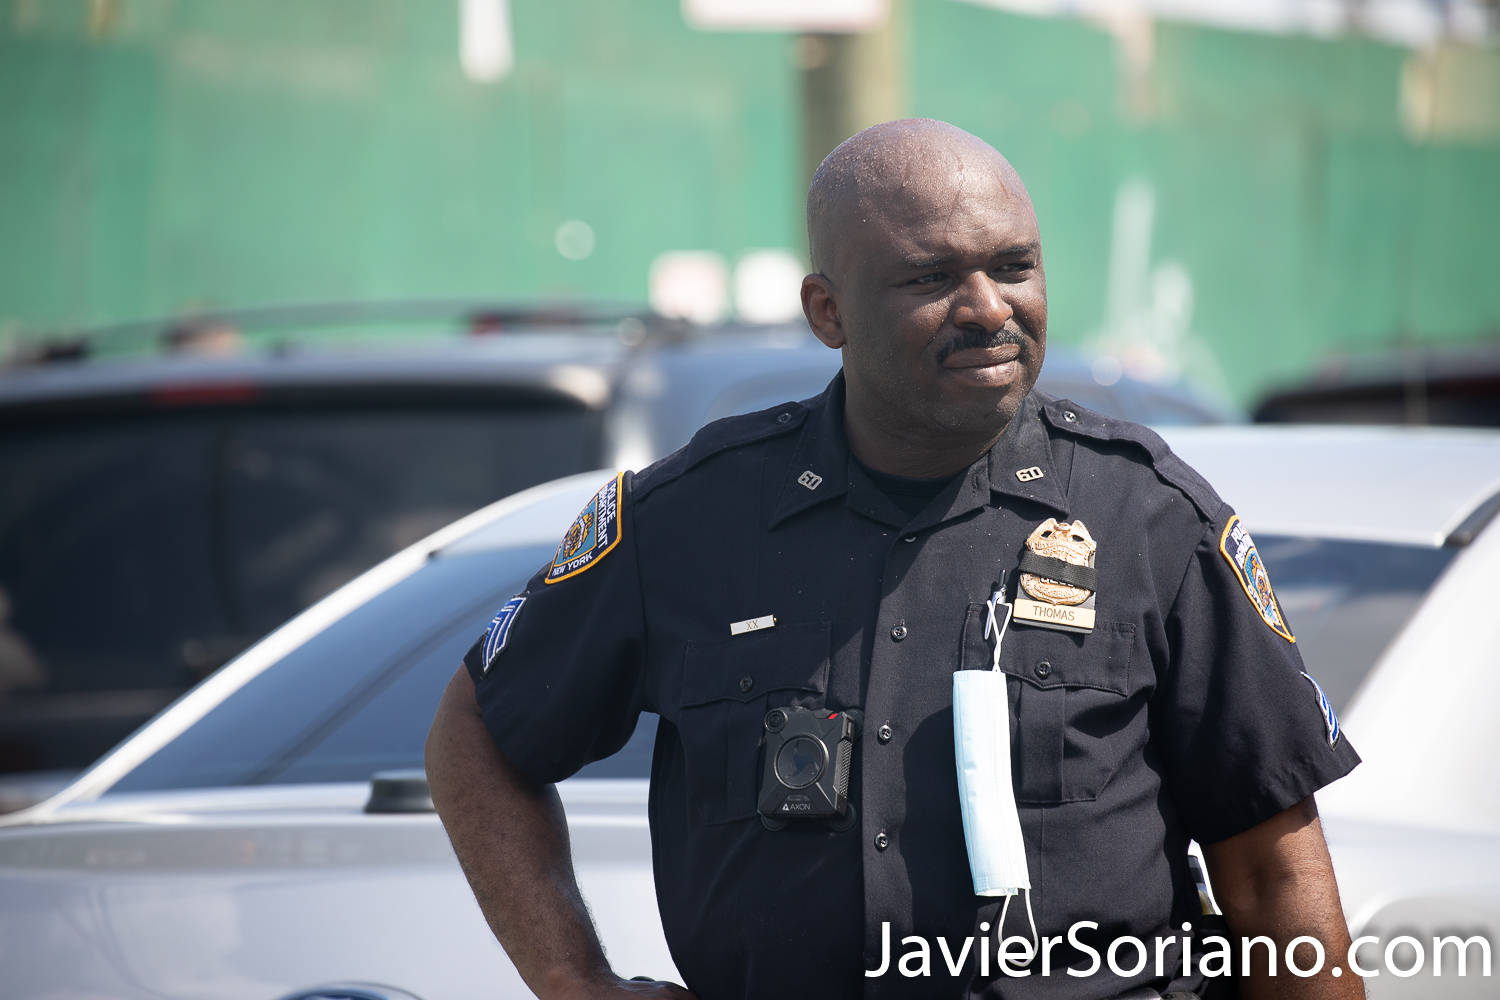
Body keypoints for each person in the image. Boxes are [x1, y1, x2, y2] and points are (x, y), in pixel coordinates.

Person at [427, 119, 1363, 1000]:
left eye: (1014, 267)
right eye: (931, 278)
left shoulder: (1148, 516)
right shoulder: (689, 520)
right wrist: (575, 983)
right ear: (827, 311)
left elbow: (1272, 872)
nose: (989, 308)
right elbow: (479, 734)